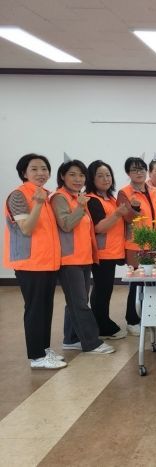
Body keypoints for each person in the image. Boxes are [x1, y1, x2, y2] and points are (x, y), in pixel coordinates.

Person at [4, 154, 66, 369]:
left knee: (45, 308)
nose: (41, 173)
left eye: (44, 169)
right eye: (34, 169)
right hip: (30, 263)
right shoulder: (19, 195)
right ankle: (37, 356)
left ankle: (44, 349)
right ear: (24, 172)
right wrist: (38, 205)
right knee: (35, 309)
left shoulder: (44, 195)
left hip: (47, 261)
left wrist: (41, 201)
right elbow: (26, 229)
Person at [51, 158, 115, 355]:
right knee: (79, 302)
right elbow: (66, 225)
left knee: (76, 301)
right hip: (69, 259)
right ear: (62, 176)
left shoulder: (77, 197)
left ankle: (71, 339)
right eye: (72, 174)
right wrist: (80, 207)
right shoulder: (60, 197)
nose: (78, 179)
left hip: (83, 257)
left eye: (81, 175)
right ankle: (91, 342)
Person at [117, 156, 156, 336]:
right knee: (136, 283)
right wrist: (134, 208)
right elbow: (127, 218)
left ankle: (148, 316)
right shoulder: (124, 193)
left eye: (142, 169)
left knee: (152, 282)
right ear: (128, 173)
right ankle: (132, 320)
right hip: (135, 244)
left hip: (154, 243)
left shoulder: (153, 190)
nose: (139, 173)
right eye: (134, 170)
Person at [85, 160, 128, 340]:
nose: (105, 179)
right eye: (100, 176)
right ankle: (102, 325)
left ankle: (102, 322)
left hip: (113, 251)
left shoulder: (110, 199)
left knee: (105, 289)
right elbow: (99, 227)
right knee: (102, 290)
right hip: (102, 253)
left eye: (108, 175)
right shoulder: (92, 200)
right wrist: (117, 213)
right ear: (91, 178)